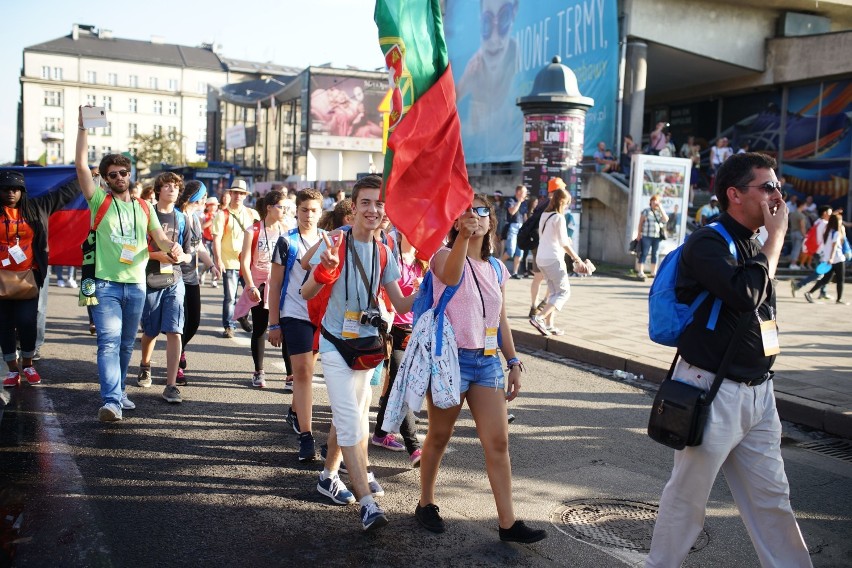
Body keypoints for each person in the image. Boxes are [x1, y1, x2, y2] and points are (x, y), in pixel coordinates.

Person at [646, 152, 812, 567]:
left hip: (758, 393)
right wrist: (776, 239)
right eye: (767, 186)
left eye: (778, 186)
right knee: (687, 500)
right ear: (735, 194)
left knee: (773, 499)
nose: (777, 195)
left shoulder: (753, 242)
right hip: (711, 390)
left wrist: (768, 242)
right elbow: (745, 294)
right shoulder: (708, 241)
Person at [414, 193, 546, 544]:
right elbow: (453, 275)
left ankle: (508, 523)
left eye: (482, 211)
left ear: (492, 221)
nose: (476, 216)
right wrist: (461, 239)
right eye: (467, 212)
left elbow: (500, 319)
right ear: (455, 222)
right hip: (450, 361)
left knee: (498, 441)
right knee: (440, 437)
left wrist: (514, 360)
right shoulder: (442, 257)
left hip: (487, 363)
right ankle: (426, 502)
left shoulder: (498, 268)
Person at [301, 175, 414, 532]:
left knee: (353, 414)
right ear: (354, 207)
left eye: (379, 203)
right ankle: (366, 502)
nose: (373, 209)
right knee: (352, 418)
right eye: (366, 202)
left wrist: (432, 287)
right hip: (335, 342)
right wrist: (327, 268)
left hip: (367, 346)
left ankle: (329, 475)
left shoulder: (384, 250)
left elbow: (400, 301)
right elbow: (306, 292)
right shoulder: (334, 241)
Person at [75, 106, 181, 422]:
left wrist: (171, 247)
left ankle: (120, 392)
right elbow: (81, 165)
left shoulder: (144, 207)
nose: (120, 178)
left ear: (130, 175)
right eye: (113, 175)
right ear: (105, 180)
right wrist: (83, 128)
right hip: (106, 283)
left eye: (124, 172)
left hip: (135, 284)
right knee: (108, 341)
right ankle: (111, 401)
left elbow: (159, 238)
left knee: (124, 345)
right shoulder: (99, 201)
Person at [1, 171, 78, 387]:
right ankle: (12, 369)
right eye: (6, 189)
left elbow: (65, 193)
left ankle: (27, 363)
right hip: (1, 279)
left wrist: (85, 176)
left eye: (15, 189)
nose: (10, 193)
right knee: (4, 324)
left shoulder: (37, 207)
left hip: (29, 277)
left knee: (27, 321)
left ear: (22, 191)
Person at [268, 189, 325, 462]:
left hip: (321, 317)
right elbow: (275, 284)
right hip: (294, 313)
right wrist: (273, 324)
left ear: (321, 212)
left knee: (308, 370)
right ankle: (306, 436)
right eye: (304, 210)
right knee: (303, 373)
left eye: (314, 210)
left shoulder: (329, 241)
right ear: (297, 211)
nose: (309, 215)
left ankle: (295, 412)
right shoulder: (286, 241)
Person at [136, 172, 193, 403]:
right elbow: (132, 249)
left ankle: (170, 385)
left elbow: (190, 254)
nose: (172, 189)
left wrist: (181, 257)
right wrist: (156, 254)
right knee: (150, 330)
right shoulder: (145, 213)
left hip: (174, 279)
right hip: (148, 278)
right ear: (158, 190)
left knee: (174, 329)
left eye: (176, 187)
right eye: (167, 186)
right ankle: (145, 364)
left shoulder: (182, 219)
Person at [371, 232, 423, 466]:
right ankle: (414, 447)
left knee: (395, 384)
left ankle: (381, 434)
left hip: (419, 331)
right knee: (403, 382)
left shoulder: (428, 261)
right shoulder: (391, 256)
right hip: (394, 328)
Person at [234, 190, 289, 389]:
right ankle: (259, 371)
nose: (284, 210)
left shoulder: (286, 229)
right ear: (269, 208)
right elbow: (245, 261)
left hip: (282, 285)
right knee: (260, 328)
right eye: (281, 207)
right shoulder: (253, 230)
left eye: (285, 207)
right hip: (260, 284)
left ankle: (290, 375)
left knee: (285, 328)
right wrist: (250, 286)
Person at [529, 189, 593, 337]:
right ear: (563, 202)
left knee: (554, 292)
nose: (568, 206)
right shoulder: (559, 218)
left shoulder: (545, 215)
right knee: (564, 292)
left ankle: (550, 325)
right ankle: (539, 318)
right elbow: (564, 242)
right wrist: (577, 259)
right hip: (553, 259)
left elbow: (548, 237)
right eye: (568, 203)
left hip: (541, 258)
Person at [176, 181, 218, 384]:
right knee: (176, 324)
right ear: (194, 197)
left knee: (194, 321)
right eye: (203, 196)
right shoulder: (177, 216)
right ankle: (175, 366)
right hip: (173, 278)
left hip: (191, 277)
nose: (205, 200)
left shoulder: (195, 217)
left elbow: (199, 246)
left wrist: (211, 265)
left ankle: (180, 349)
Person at [212, 179, 260, 338]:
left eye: (242, 193)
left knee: (252, 295)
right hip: (230, 262)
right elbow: (216, 239)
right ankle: (229, 326)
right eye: (236, 192)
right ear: (230, 193)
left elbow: (261, 235)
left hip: (248, 262)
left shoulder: (252, 214)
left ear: (245, 196)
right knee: (230, 297)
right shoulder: (222, 214)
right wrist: (217, 260)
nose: (238, 196)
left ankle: (243, 316)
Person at [803, 213, 846, 305]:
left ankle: (809, 292)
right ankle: (839, 299)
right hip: (837, 259)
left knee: (825, 279)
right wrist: (831, 258)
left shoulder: (827, 232)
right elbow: (834, 247)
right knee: (840, 280)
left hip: (827, 259)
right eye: (840, 220)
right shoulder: (836, 233)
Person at [634, 194, 669, 280]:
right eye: (653, 201)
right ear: (650, 202)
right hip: (646, 235)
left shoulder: (659, 212)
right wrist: (639, 234)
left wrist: (660, 207)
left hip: (656, 237)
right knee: (644, 253)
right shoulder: (646, 211)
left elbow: (666, 219)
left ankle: (653, 272)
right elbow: (640, 223)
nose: (654, 203)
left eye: (656, 201)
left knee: (655, 254)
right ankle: (640, 272)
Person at [501, 185, 527, 279]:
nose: (525, 194)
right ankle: (497, 267)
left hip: (521, 227)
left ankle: (515, 273)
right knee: (510, 251)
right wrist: (519, 201)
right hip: (512, 226)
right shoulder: (511, 200)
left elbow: (525, 217)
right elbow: (512, 212)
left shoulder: (525, 203)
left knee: (519, 252)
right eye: (524, 192)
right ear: (518, 192)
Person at [200, 196, 219, 287]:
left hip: (215, 241)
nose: (214, 207)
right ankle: (202, 274)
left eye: (215, 205)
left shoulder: (219, 214)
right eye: (212, 205)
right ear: (207, 206)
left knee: (215, 261)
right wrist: (211, 220)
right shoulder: (204, 216)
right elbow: (201, 227)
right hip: (206, 241)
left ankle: (213, 280)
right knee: (207, 261)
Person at [787, 200, 808, 270]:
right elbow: (802, 226)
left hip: (792, 232)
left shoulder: (792, 214)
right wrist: (804, 235)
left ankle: (792, 263)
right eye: (805, 205)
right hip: (799, 233)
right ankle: (793, 263)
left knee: (794, 248)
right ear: (802, 205)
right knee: (797, 249)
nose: (806, 207)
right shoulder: (801, 215)